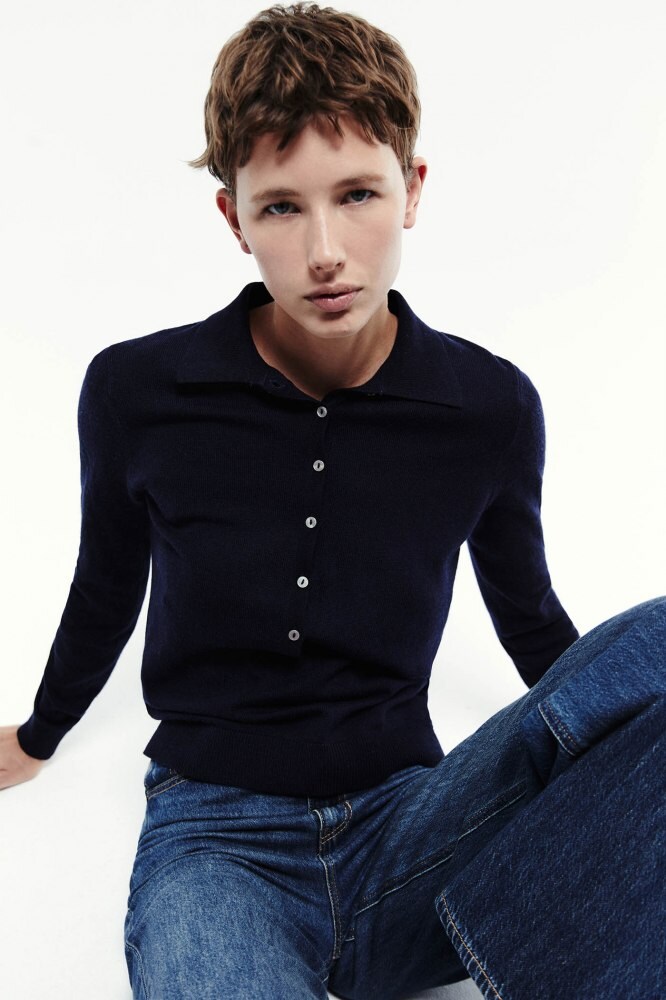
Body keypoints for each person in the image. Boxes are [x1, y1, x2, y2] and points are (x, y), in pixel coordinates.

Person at [1, 3, 664, 998]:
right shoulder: (139, 393)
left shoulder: (487, 407)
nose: (325, 250)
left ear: (412, 190)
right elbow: (104, 589)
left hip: (420, 831)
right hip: (218, 847)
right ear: (233, 218)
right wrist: (38, 734)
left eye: (357, 194)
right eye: (280, 207)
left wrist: (605, 738)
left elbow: (532, 619)